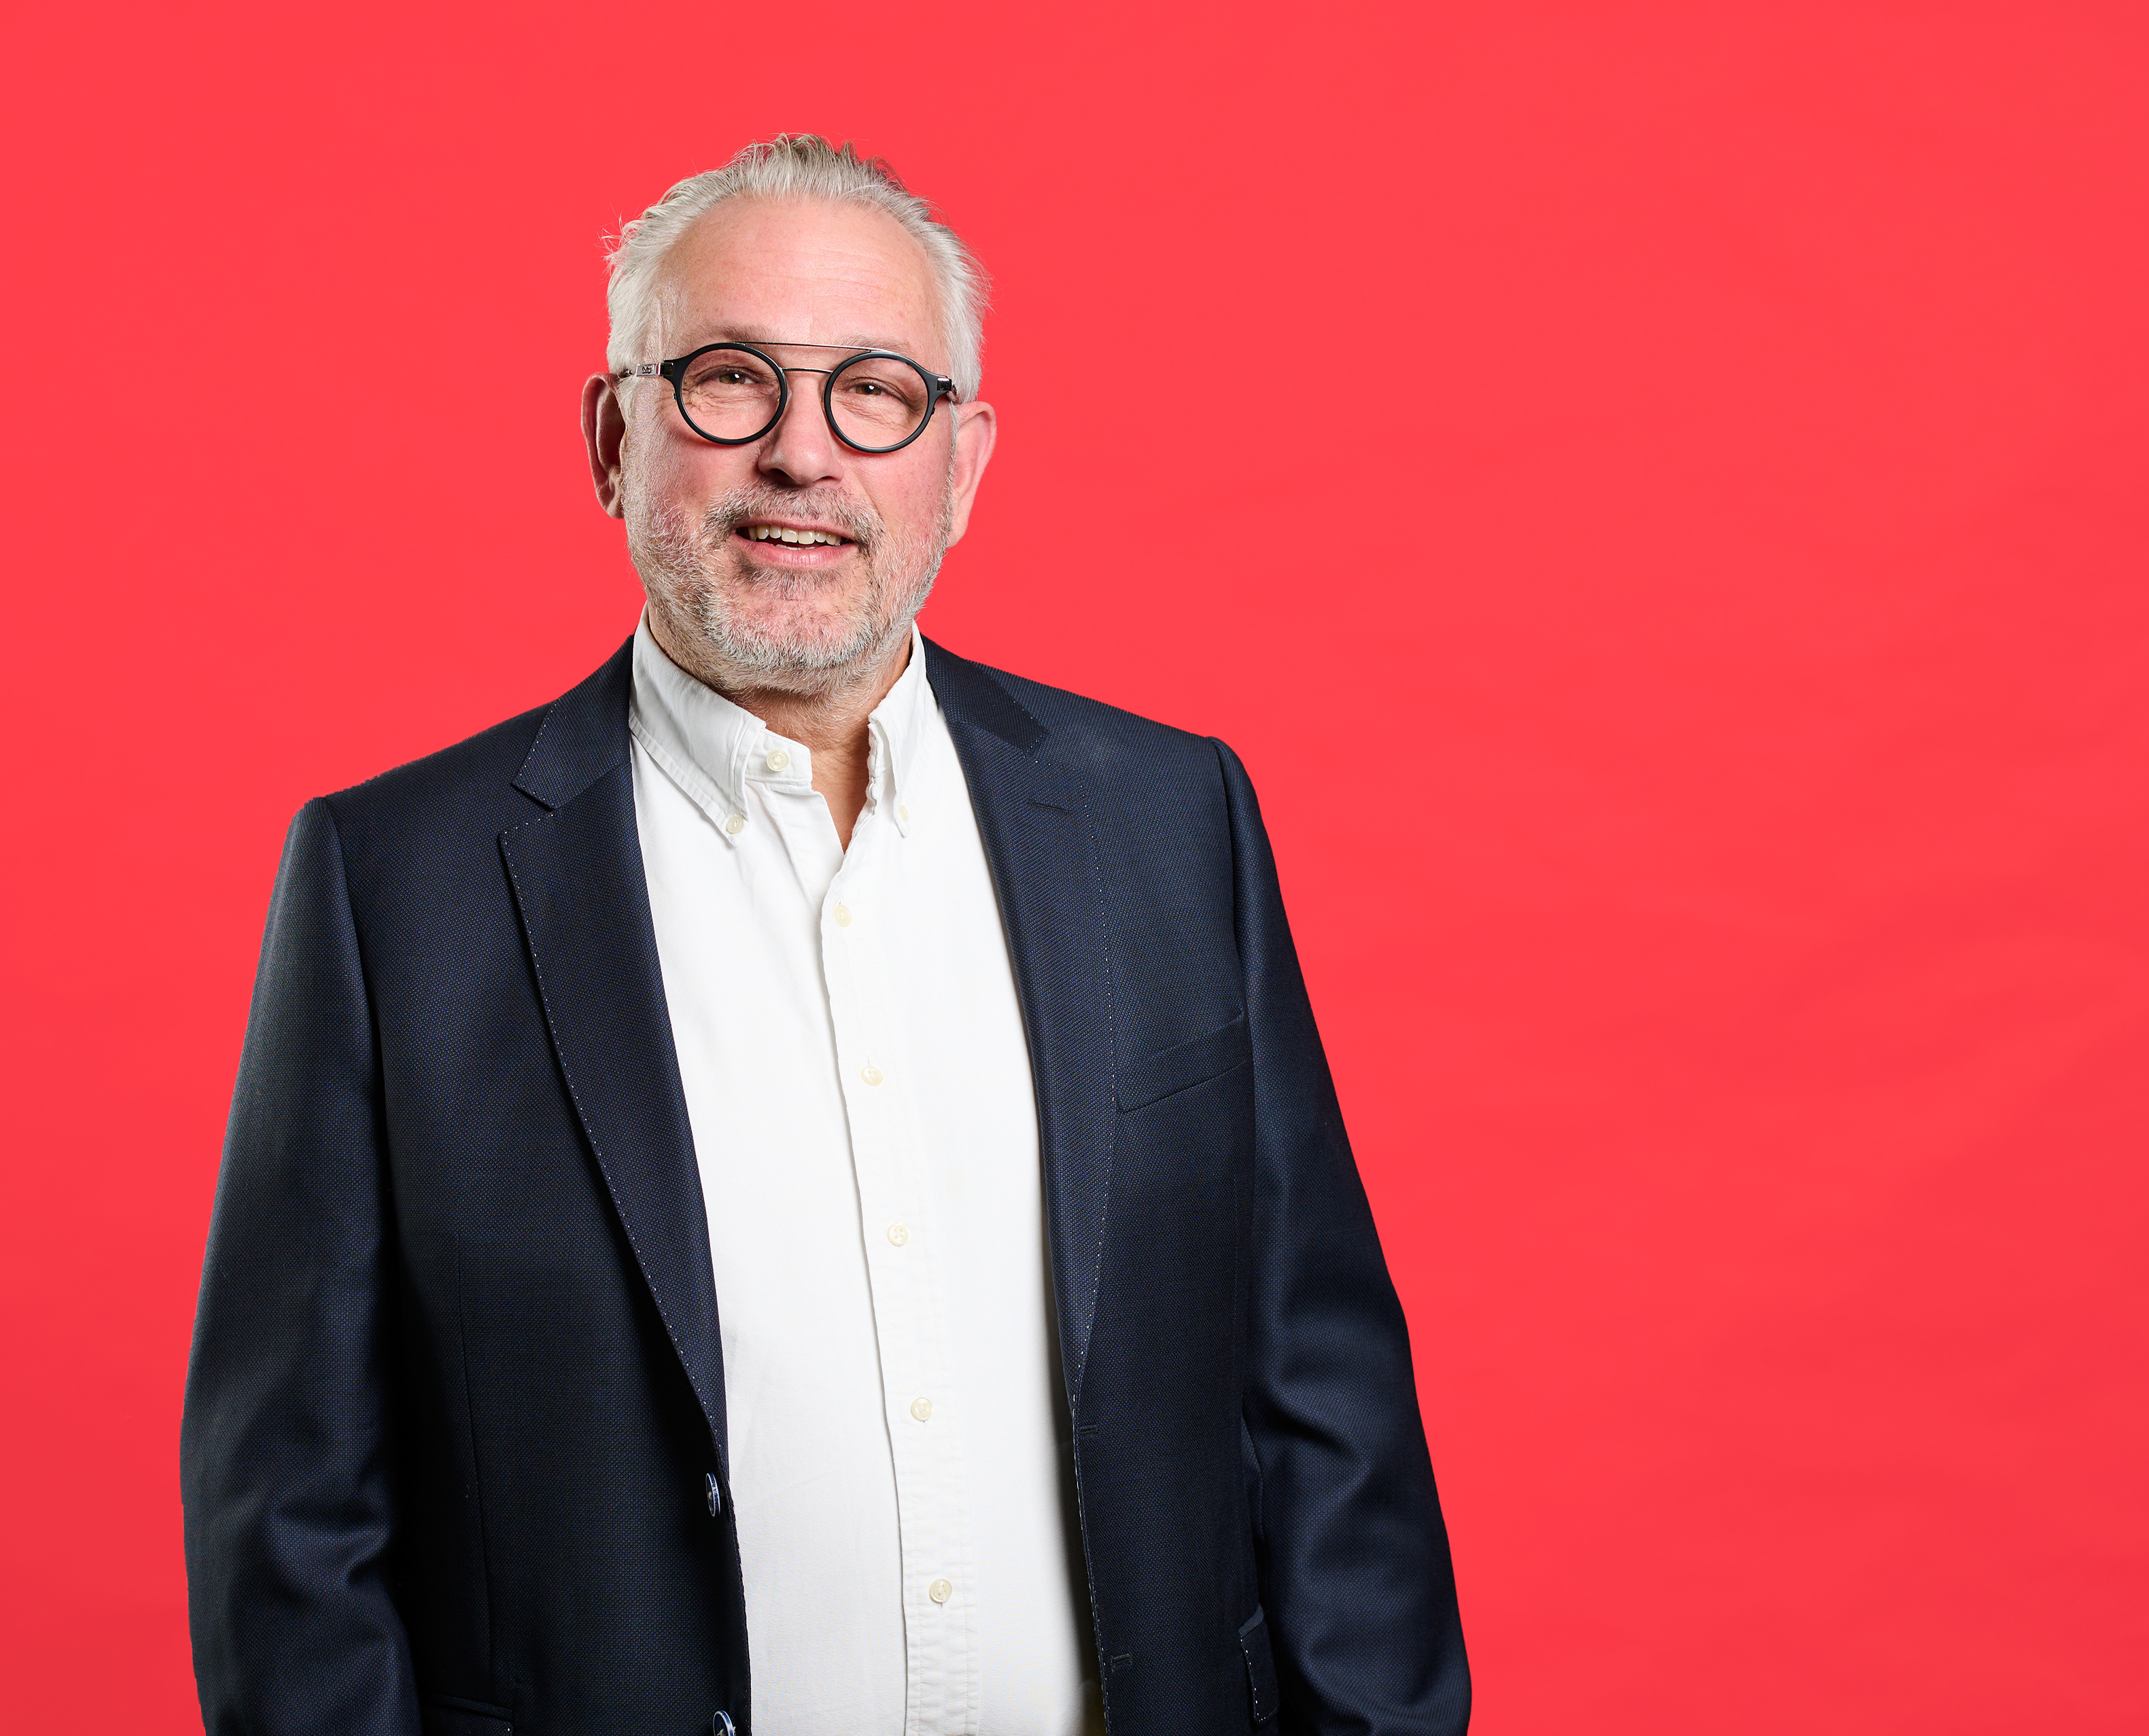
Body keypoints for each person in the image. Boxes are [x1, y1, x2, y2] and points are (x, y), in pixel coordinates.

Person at [182, 135, 1467, 1736]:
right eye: (730, 380)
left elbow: (1324, 1401)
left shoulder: (1165, 821)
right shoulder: (396, 887)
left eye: (876, 392)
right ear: (613, 437)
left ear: (964, 462)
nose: (802, 454)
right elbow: (294, 1513)